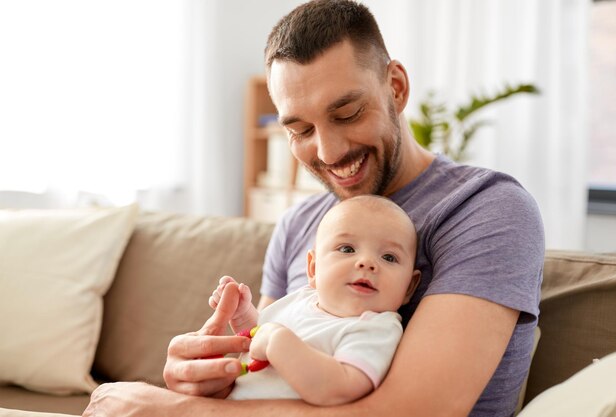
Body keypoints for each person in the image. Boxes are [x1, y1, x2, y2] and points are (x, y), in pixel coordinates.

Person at [83, 1, 544, 416]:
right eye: (300, 130)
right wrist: (206, 378)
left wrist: (174, 412)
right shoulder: (300, 225)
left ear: (397, 88)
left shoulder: (485, 209)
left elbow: (413, 411)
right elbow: (261, 371)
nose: (327, 151)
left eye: (346, 114)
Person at [210, 195, 420, 405]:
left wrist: (276, 340)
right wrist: (243, 316)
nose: (367, 262)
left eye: (389, 257)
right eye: (347, 249)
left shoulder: (377, 328)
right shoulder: (300, 299)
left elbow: (339, 389)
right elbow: (258, 343)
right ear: (313, 268)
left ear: (409, 287)